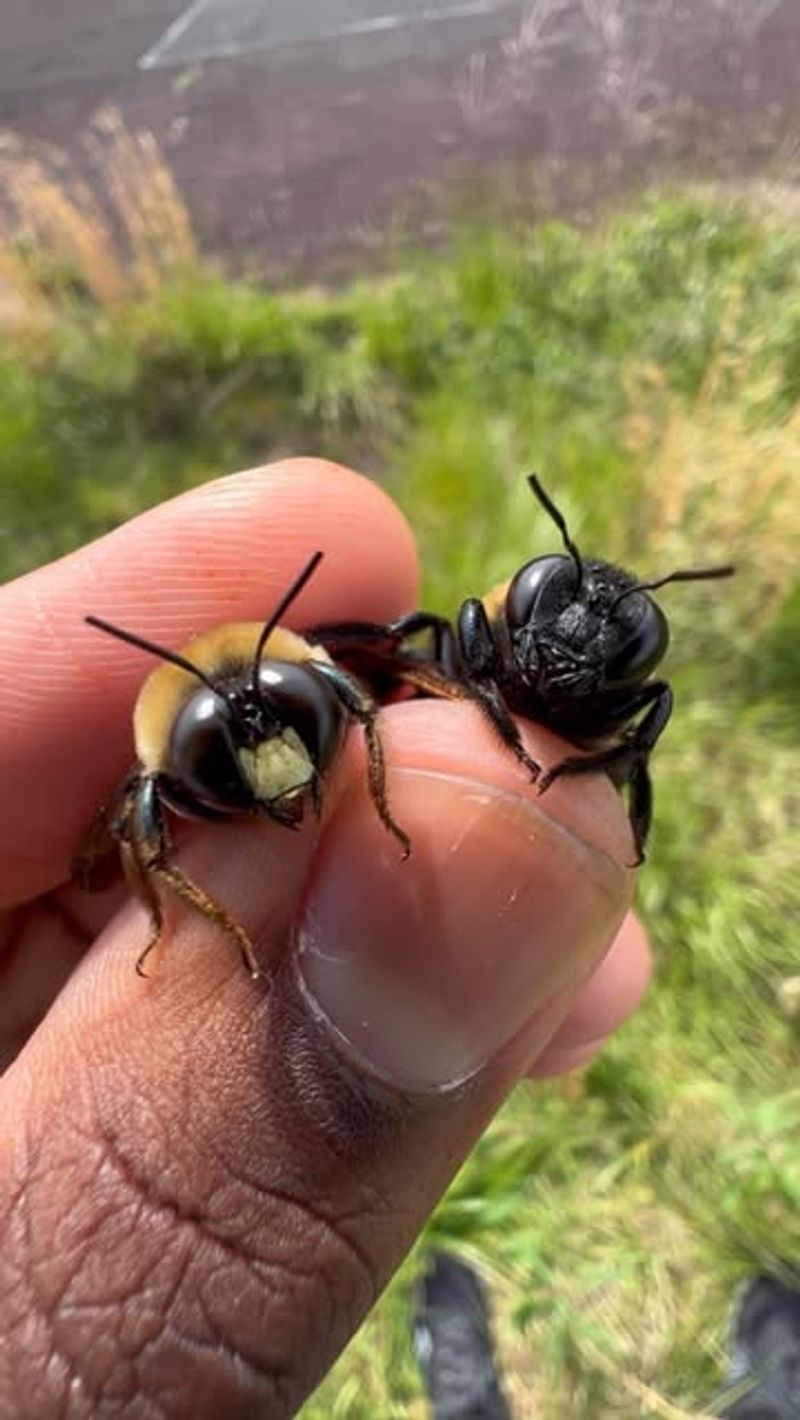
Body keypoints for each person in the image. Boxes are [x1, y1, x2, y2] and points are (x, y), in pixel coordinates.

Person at [0, 459, 651, 1417]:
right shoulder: (152, 788)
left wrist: (385, 799)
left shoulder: (352, 684)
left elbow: (391, 680)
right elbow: (121, 843)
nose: (268, 751)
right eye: (225, 747)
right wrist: (191, 919)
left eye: (295, 714)